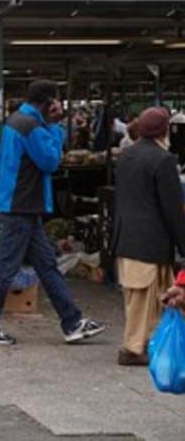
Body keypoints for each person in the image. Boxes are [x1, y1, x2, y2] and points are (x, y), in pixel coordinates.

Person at [0, 80, 106, 346]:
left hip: (20, 204)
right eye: (55, 101)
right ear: (48, 102)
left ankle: (72, 322)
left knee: (47, 265)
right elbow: (50, 161)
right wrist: (56, 127)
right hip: (21, 205)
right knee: (7, 266)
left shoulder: (17, 120)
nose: (57, 106)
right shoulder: (32, 126)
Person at [112, 107, 185, 366]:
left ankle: (145, 343)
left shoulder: (125, 156)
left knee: (138, 299)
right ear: (165, 130)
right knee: (146, 299)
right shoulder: (163, 160)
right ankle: (133, 348)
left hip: (126, 238)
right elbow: (173, 208)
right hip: (150, 240)